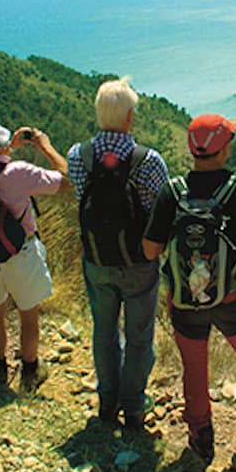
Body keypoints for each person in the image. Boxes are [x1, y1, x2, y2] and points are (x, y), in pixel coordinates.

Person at [143, 113, 236, 463]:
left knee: (195, 369)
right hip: (233, 297)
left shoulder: (173, 192)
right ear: (223, 151)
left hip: (186, 301)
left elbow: (150, 250)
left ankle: (201, 436)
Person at [66, 77, 169, 430]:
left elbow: (82, 199)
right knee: (140, 336)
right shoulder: (149, 161)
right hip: (139, 262)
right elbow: (160, 213)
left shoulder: (78, 156)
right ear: (128, 117)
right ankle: (134, 407)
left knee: (104, 332)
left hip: (97, 260)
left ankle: (107, 404)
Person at [0, 116, 70, 391]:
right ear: (1, 144)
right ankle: (29, 373)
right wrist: (45, 146)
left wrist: (6, 150)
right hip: (20, 254)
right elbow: (67, 180)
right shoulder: (20, 173)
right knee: (28, 314)